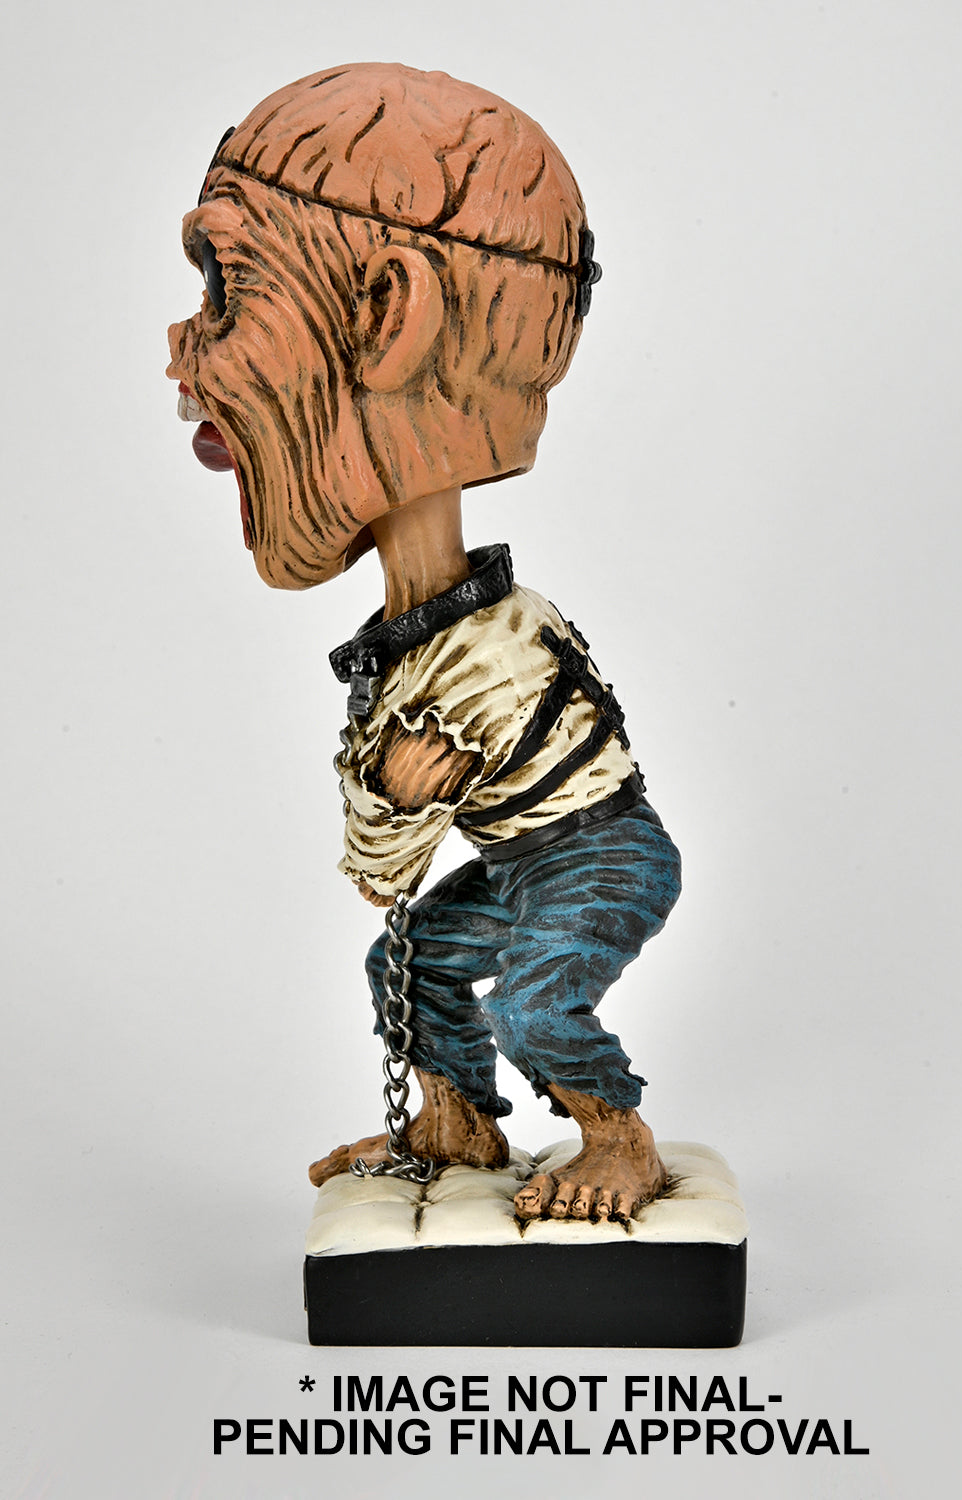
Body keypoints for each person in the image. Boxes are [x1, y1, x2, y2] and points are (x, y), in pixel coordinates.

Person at [167, 62, 680, 1220]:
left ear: (386, 315)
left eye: (225, 285)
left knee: (535, 1000)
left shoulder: (488, 658)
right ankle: (458, 1123)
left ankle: (617, 1138)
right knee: (408, 961)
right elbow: (385, 871)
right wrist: (394, 800)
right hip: (527, 858)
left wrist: (395, 799)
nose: (178, 350)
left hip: (600, 857)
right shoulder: (420, 645)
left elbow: (379, 870)